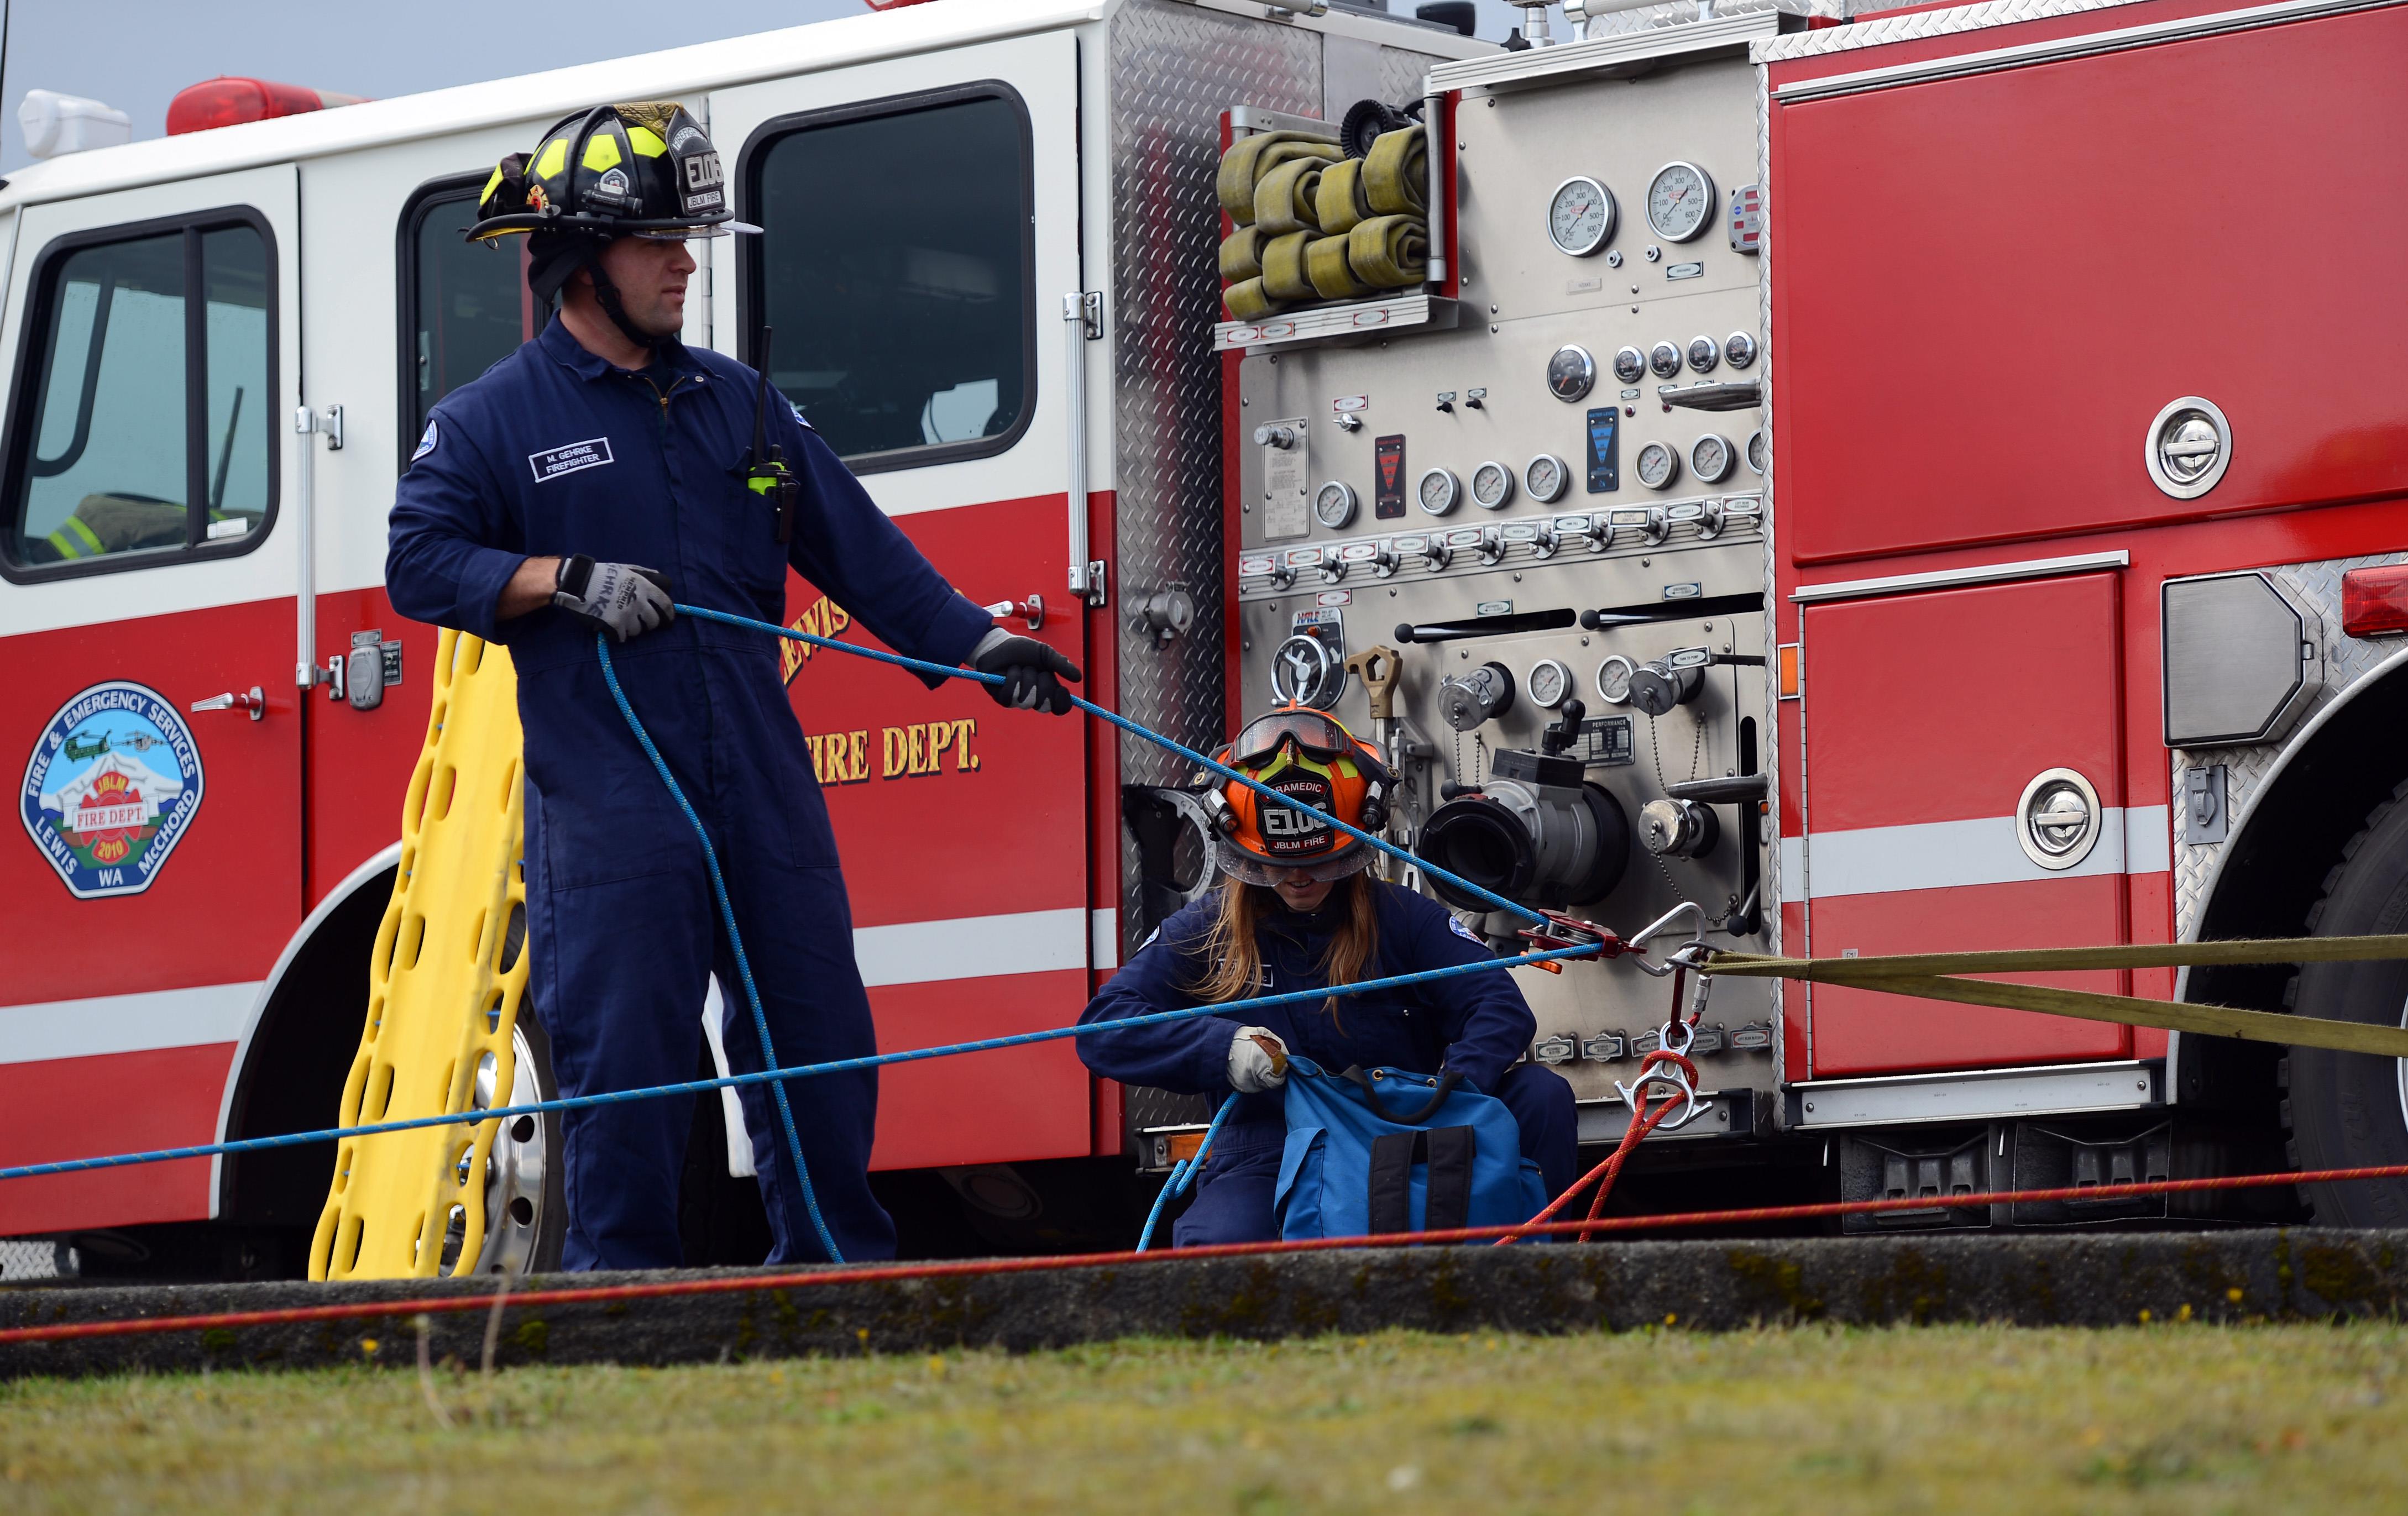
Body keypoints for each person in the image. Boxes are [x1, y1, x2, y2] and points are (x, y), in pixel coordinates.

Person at [384, 102, 1081, 1271]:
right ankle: (624, 1294)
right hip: (610, 794)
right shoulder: (490, 421)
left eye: (688, 238)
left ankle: (836, 1278)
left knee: (817, 1029)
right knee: (632, 1051)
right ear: (575, 261)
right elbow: (418, 562)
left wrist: (976, 647)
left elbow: (862, 552)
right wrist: (561, 580)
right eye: (658, 240)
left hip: (760, 778)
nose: (687, 262)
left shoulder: (742, 402)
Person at [1076, 706, 1576, 1246]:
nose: (1299, 877)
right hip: (1273, 1147)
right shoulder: (1206, 929)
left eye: (1317, 859)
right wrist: (1221, 1048)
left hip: (1407, 1128)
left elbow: (1499, 1006)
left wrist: (1450, 1092)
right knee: (1221, 1246)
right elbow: (1103, 1027)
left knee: (1541, 1094)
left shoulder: (1403, 917)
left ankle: (1544, 1283)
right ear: (1241, 840)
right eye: (1280, 864)